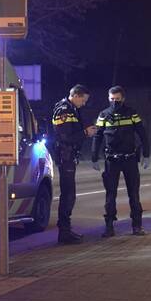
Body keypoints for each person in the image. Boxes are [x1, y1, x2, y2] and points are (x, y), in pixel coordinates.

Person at [91, 86, 150, 236]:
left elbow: (142, 134)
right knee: (110, 194)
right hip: (112, 160)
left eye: (117, 99)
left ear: (123, 98)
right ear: (108, 99)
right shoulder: (103, 115)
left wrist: (146, 154)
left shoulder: (131, 113)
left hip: (130, 158)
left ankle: (137, 226)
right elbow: (97, 137)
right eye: (112, 99)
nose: (115, 102)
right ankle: (109, 226)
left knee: (134, 194)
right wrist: (94, 157)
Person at [50, 84, 97, 244]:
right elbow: (65, 136)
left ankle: (66, 230)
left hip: (69, 156)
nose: (83, 103)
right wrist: (85, 133)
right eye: (83, 100)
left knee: (70, 194)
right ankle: (64, 232)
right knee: (68, 195)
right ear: (76, 95)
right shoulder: (64, 110)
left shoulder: (71, 109)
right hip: (65, 156)